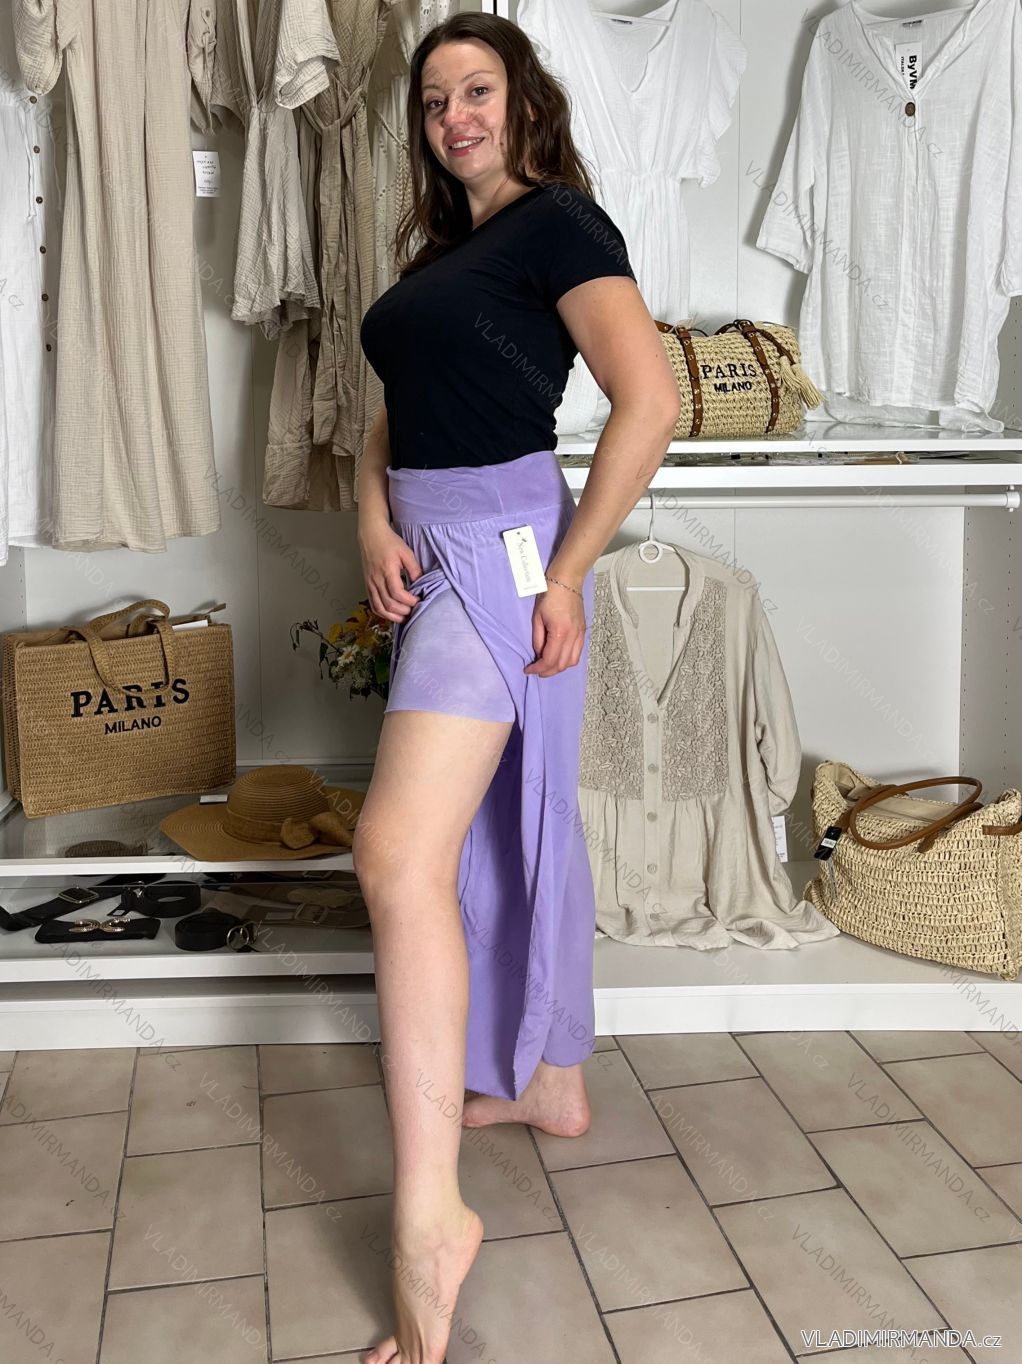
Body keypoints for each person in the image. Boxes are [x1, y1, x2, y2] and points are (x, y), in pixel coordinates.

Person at [352, 13, 680, 1364]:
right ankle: (550, 1081)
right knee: (504, 819)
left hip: (499, 554)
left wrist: (566, 571)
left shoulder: (560, 227)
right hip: (429, 547)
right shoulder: (444, 254)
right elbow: (392, 410)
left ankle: (431, 1219)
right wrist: (370, 521)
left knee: (394, 855)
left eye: (476, 90)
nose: (455, 117)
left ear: (523, 99)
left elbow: (649, 400)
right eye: (435, 101)